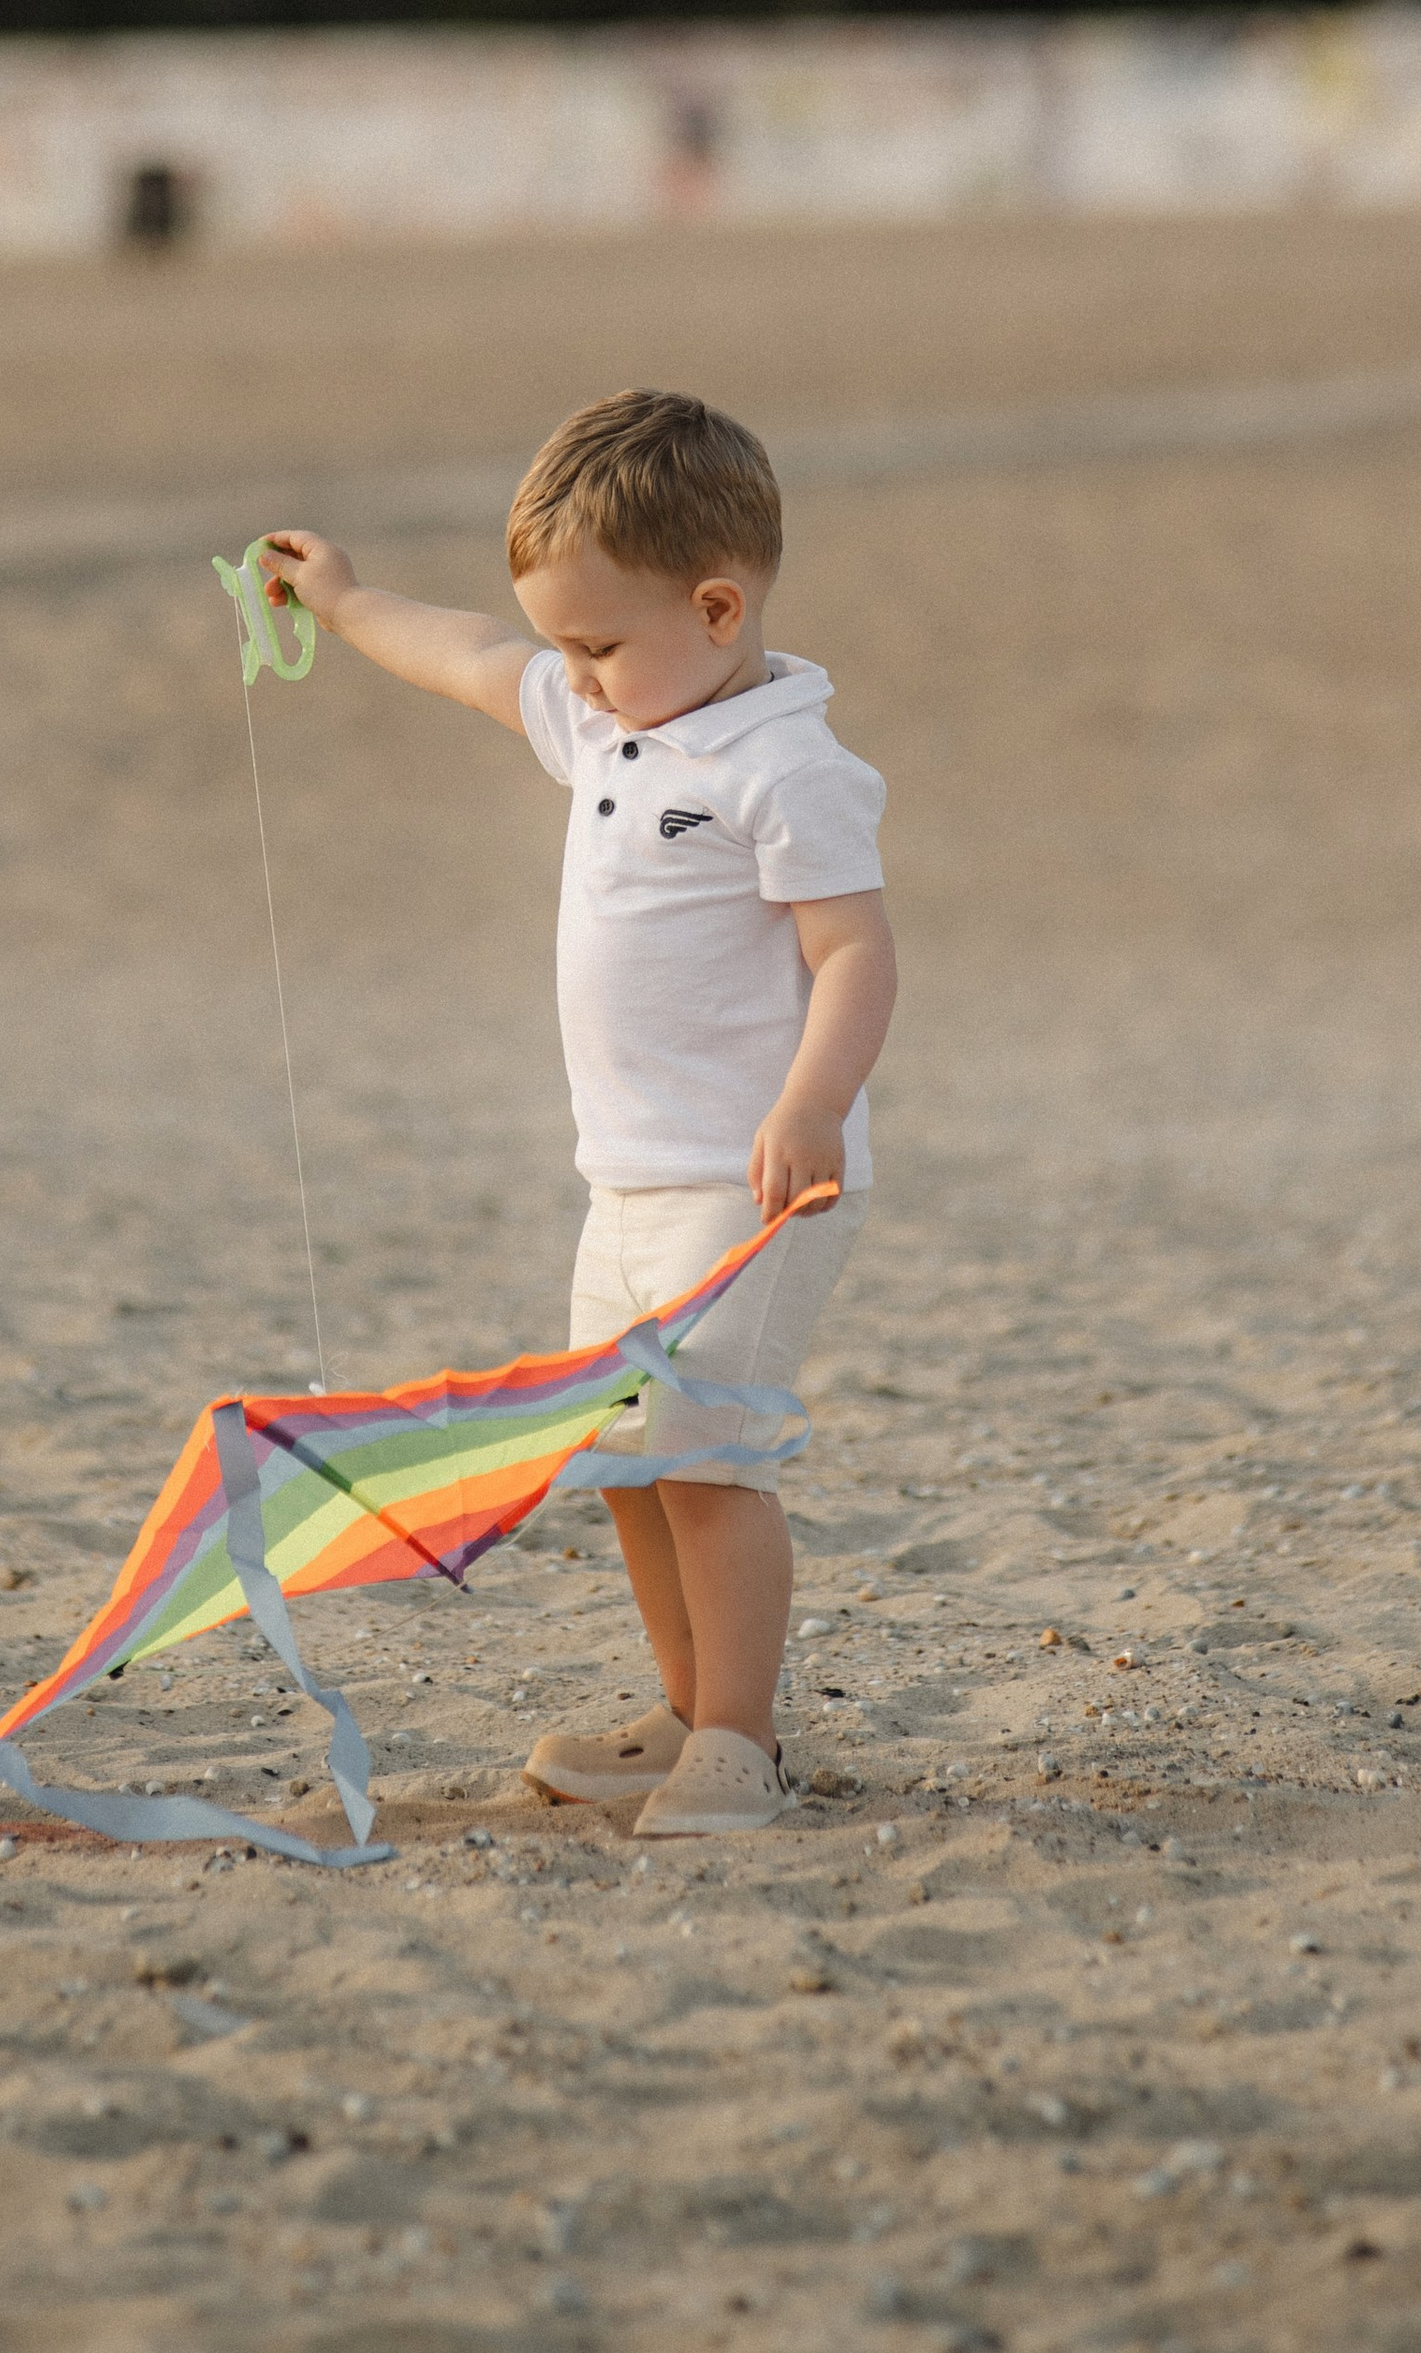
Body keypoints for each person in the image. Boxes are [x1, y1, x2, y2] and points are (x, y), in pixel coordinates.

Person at [259, 387, 894, 1838]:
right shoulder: (613, 715)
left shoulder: (784, 764)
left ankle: (739, 1741)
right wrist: (346, 600)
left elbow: (856, 953)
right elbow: (475, 658)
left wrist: (814, 1105)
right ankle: (681, 1712)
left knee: (709, 1461)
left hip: (750, 1186)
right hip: (622, 1182)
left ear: (719, 610)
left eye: (598, 646)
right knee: (621, 1460)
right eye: (567, 647)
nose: (575, 679)